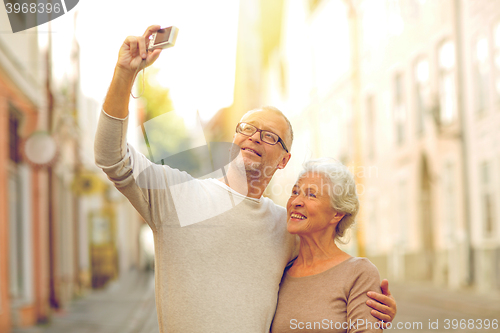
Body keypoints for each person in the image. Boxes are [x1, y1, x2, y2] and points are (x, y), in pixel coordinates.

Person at [94, 25, 396, 333]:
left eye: (268, 136)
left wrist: (370, 309)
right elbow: (111, 157)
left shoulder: (287, 227)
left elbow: (324, 273)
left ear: (284, 160)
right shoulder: (178, 196)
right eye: (246, 129)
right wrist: (124, 74)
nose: (253, 138)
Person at [271, 159, 384, 332]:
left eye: (311, 195)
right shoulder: (279, 271)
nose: (296, 201)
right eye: (295, 192)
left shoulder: (359, 274)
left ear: (337, 214)